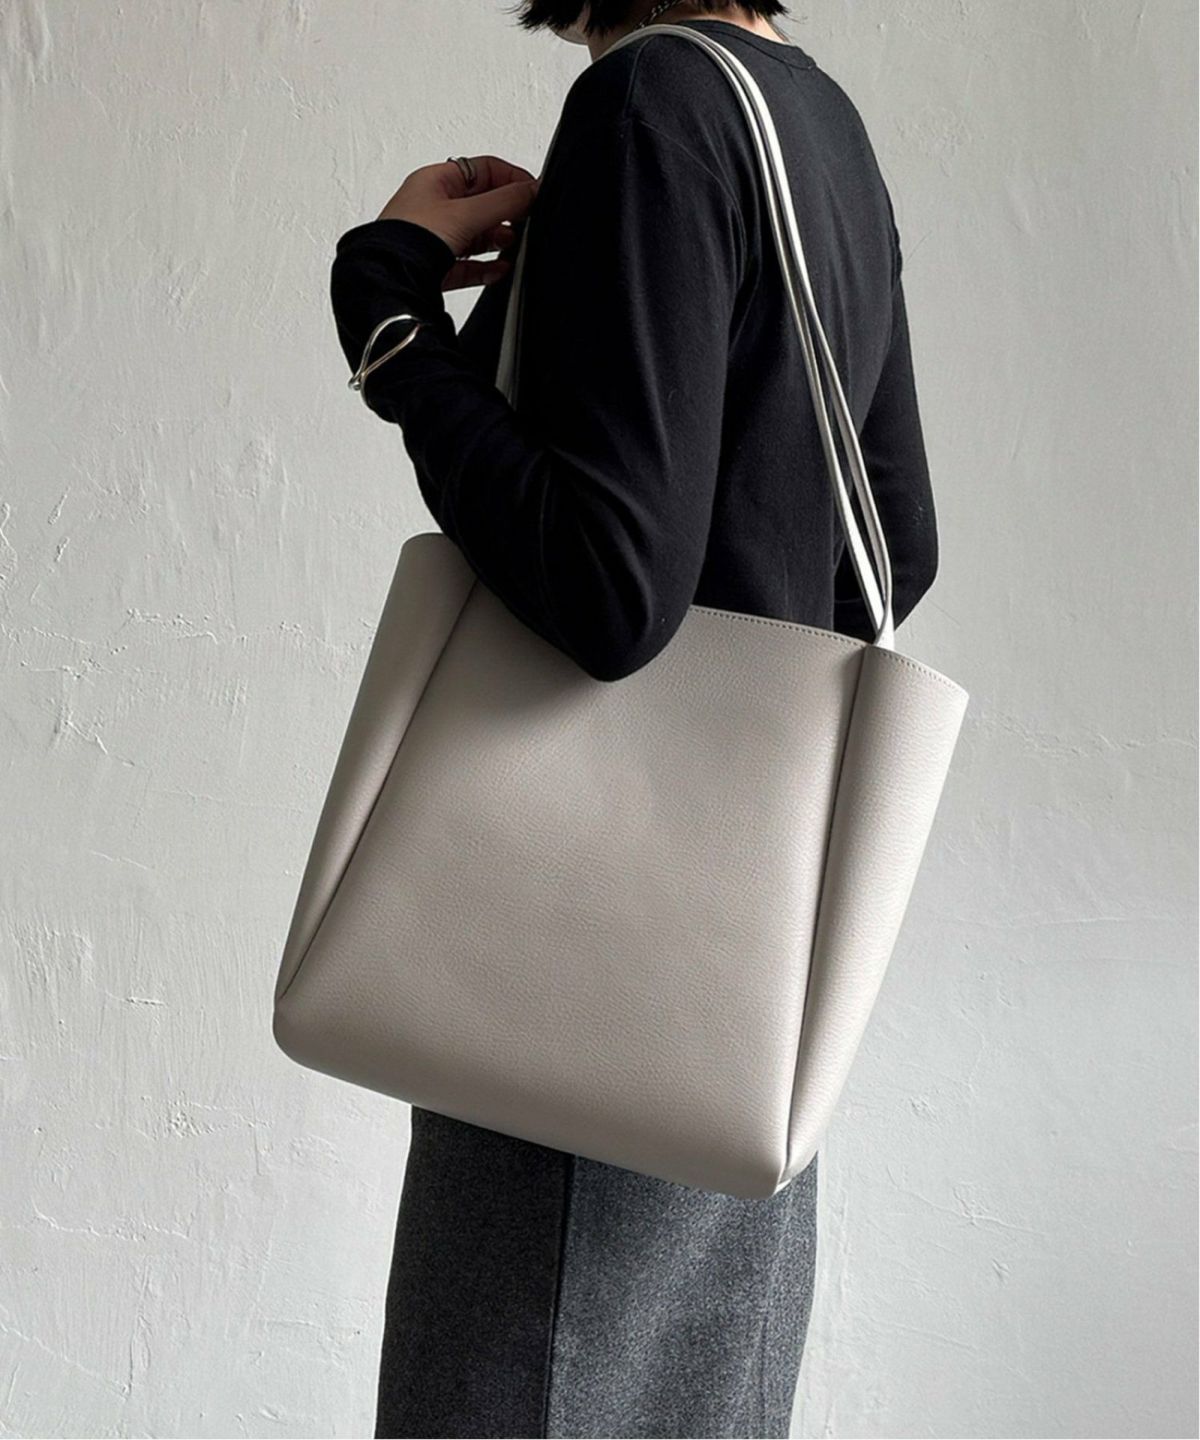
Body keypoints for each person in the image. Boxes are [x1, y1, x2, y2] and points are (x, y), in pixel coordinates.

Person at [328, 1, 940, 1435]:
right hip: (741, 977)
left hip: (578, 981)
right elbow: (895, 548)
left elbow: (611, 593)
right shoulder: (816, 120)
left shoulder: (650, 103)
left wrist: (391, 320)